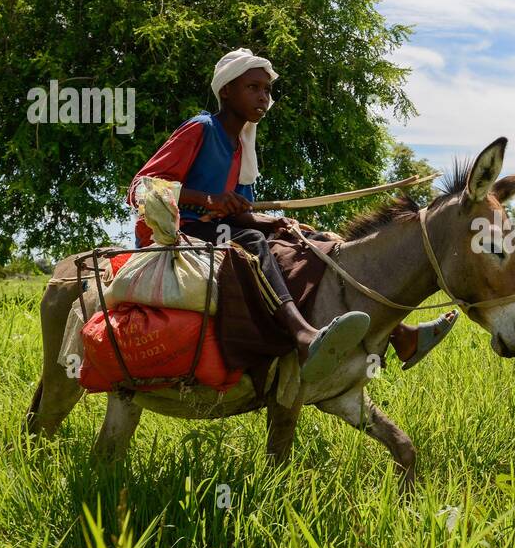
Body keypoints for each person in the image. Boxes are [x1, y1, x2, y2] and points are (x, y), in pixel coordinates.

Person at [128, 48, 457, 382]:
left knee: (312, 241)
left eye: (267, 90)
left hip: (221, 231)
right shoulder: (201, 129)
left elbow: (242, 214)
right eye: (253, 87)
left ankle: (400, 335)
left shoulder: (243, 148)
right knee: (255, 243)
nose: (263, 97)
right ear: (226, 90)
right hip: (184, 230)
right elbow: (140, 188)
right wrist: (209, 199)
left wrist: (279, 222)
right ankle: (302, 335)